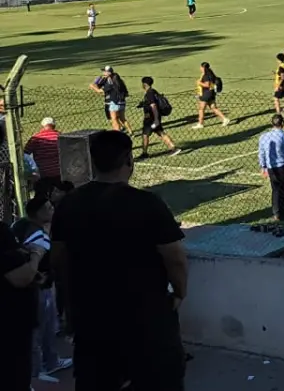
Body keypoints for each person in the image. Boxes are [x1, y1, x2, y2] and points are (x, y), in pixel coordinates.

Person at [51, 130, 189, 391]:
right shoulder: (147, 203)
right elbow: (175, 259)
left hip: (91, 317)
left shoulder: (70, 204)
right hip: (145, 319)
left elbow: (58, 257)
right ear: (129, 160)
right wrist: (180, 292)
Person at [12, 195, 72, 383]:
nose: (52, 210)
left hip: (35, 287)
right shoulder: (38, 235)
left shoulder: (21, 226)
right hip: (39, 289)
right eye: (48, 208)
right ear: (38, 213)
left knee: (44, 327)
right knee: (40, 328)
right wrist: (39, 277)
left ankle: (49, 361)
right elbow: (33, 258)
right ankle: (37, 372)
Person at [0, 214, 45, 391]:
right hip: (11, 320)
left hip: (15, 320)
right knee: (14, 371)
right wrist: (36, 255)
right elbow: (20, 277)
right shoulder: (3, 233)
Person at [258, 114, 284, 222]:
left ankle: (276, 213)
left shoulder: (264, 136)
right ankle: (282, 213)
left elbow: (261, 153)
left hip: (272, 168)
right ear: (282, 124)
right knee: (283, 190)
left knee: (275, 190)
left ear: (272, 124)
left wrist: (263, 166)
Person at [139, 78, 181, 159]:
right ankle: (173, 148)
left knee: (145, 135)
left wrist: (156, 120)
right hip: (155, 116)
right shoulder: (153, 91)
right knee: (160, 133)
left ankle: (144, 153)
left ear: (144, 84)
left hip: (151, 118)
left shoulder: (149, 93)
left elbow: (153, 106)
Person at [90, 65, 132, 134]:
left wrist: (92, 86)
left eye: (104, 71)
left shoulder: (110, 83)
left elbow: (100, 91)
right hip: (122, 102)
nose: (103, 73)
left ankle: (117, 135)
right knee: (122, 118)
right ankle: (131, 132)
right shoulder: (117, 79)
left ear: (109, 73)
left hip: (114, 103)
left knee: (114, 119)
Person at [24, 118, 62, 185]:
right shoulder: (60, 136)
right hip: (59, 171)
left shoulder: (36, 138)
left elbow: (26, 152)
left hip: (42, 172)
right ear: (54, 126)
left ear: (43, 126)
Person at [194, 61, 230, 129]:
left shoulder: (206, 75)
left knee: (201, 109)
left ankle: (200, 124)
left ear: (203, 67)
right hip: (211, 93)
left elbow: (207, 85)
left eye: (201, 67)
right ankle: (225, 119)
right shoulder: (211, 74)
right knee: (213, 108)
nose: (200, 68)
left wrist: (199, 83)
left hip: (206, 94)